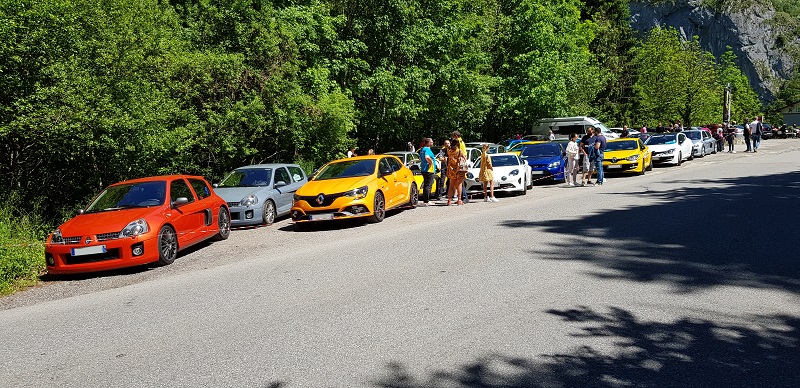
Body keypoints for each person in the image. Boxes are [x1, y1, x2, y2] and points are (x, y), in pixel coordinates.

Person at [446, 139, 467, 205]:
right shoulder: (459, 151)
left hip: (451, 169)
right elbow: (464, 158)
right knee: (459, 185)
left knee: (451, 185)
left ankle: (449, 200)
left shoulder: (449, 150)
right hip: (458, 169)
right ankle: (459, 200)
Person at [418, 138, 437, 206]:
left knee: (426, 185)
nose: (432, 143)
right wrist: (431, 162)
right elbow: (427, 157)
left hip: (424, 169)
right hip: (429, 170)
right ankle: (427, 201)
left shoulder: (422, 149)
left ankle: (425, 199)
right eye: (431, 142)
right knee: (428, 185)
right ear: (428, 143)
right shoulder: (427, 149)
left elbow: (420, 158)